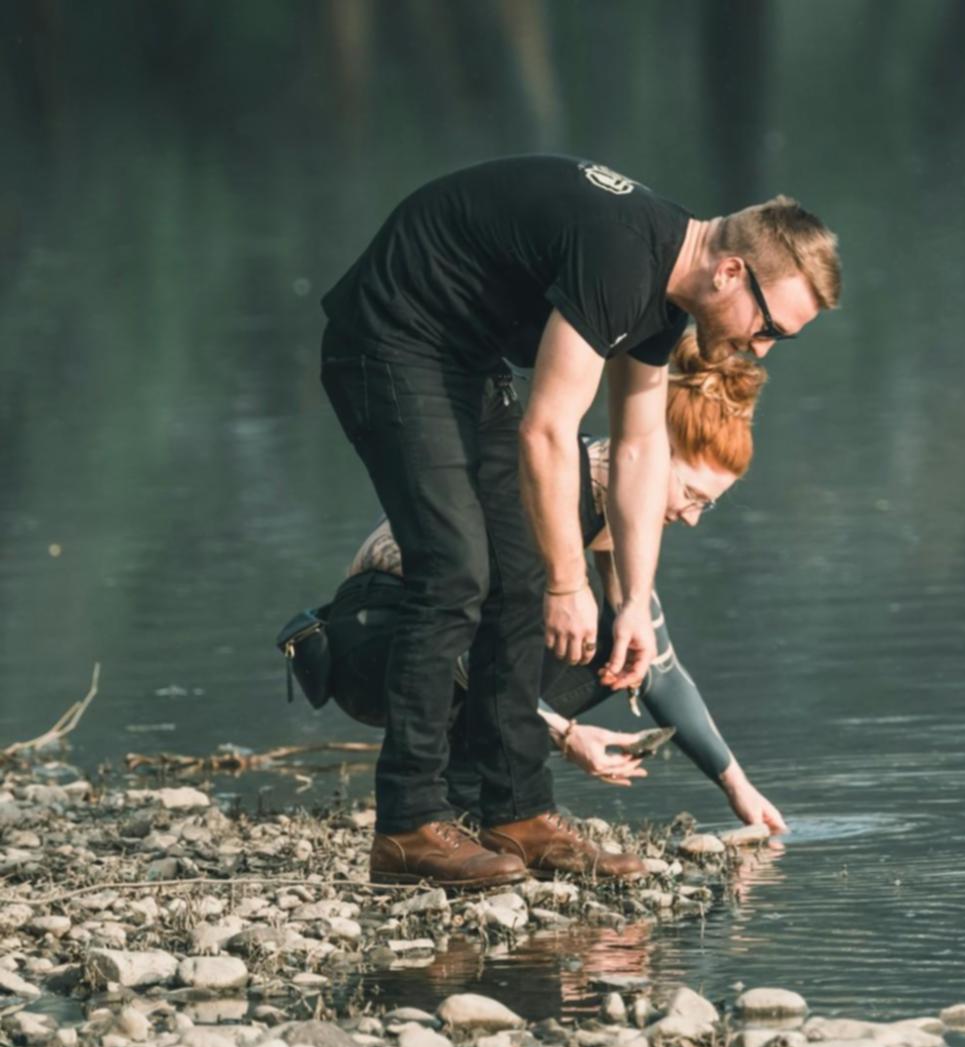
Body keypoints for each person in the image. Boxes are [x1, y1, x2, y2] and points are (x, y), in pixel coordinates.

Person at [318, 155, 838, 888]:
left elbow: (639, 442)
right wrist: (571, 582)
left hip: (465, 358)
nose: (762, 348)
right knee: (457, 568)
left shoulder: (665, 289)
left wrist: (630, 601)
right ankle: (406, 826)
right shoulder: (625, 256)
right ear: (730, 274)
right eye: (770, 329)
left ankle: (517, 812)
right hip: (389, 338)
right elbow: (547, 431)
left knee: (516, 574)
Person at [284, 334, 787, 833]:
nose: (693, 518)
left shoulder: (614, 516)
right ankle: (459, 803)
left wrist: (740, 790)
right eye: (692, 495)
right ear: (653, 455)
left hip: (445, 651)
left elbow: (662, 671)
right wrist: (566, 734)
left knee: (621, 644)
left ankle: (473, 801)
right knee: (553, 616)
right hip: (372, 643)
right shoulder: (555, 488)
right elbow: (460, 644)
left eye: (708, 505)